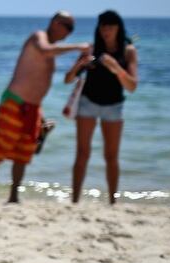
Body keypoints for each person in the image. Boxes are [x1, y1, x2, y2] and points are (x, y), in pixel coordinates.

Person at [0, 12, 90, 203]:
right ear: (56, 23)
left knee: (23, 153)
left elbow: (60, 73)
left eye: (72, 29)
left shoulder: (52, 49)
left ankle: (14, 195)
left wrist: (80, 63)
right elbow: (45, 50)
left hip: (33, 107)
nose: (69, 33)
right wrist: (77, 46)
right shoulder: (38, 37)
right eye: (68, 27)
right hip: (15, 101)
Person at [64, 10, 139, 205]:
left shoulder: (128, 51)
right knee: (82, 153)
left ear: (118, 28)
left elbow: (132, 86)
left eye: (111, 26)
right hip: (87, 103)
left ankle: (113, 201)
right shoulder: (90, 49)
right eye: (103, 25)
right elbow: (68, 79)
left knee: (111, 156)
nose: (106, 30)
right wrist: (79, 65)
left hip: (114, 106)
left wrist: (115, 67)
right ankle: (75, 200)